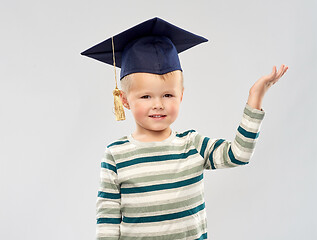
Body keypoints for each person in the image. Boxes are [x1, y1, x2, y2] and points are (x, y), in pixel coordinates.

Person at [81, 17, 288, 240]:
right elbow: (107, 223)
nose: (158, 104)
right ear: (124, 100)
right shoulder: (116, 155)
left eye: (168, 95)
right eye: (146, 96)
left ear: (181, 96)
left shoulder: (193, 144)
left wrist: (254, 98)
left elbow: (239, 154)